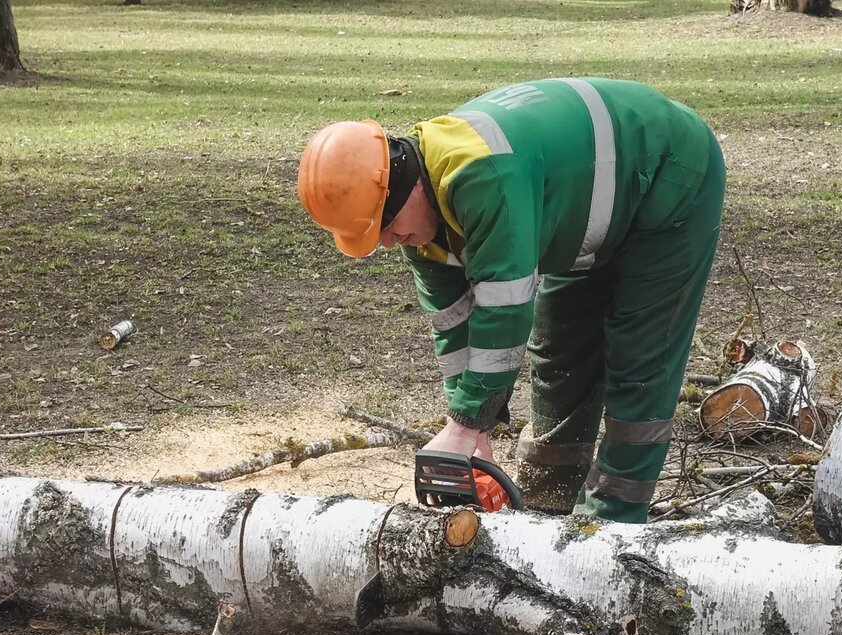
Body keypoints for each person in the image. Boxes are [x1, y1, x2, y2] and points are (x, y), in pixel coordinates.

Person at [297, 78, 725, 523]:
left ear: (400, 184)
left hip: (669, 176)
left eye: (383, 226)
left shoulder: (482, 175)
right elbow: (454, 328)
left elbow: (505, 312)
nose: (385, 242)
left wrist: (466, 425)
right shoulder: (416, 217)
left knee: (641, 360)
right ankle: (548, 500)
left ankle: (612, 523)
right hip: (586, 215)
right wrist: (469, 434)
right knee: (561, 347)